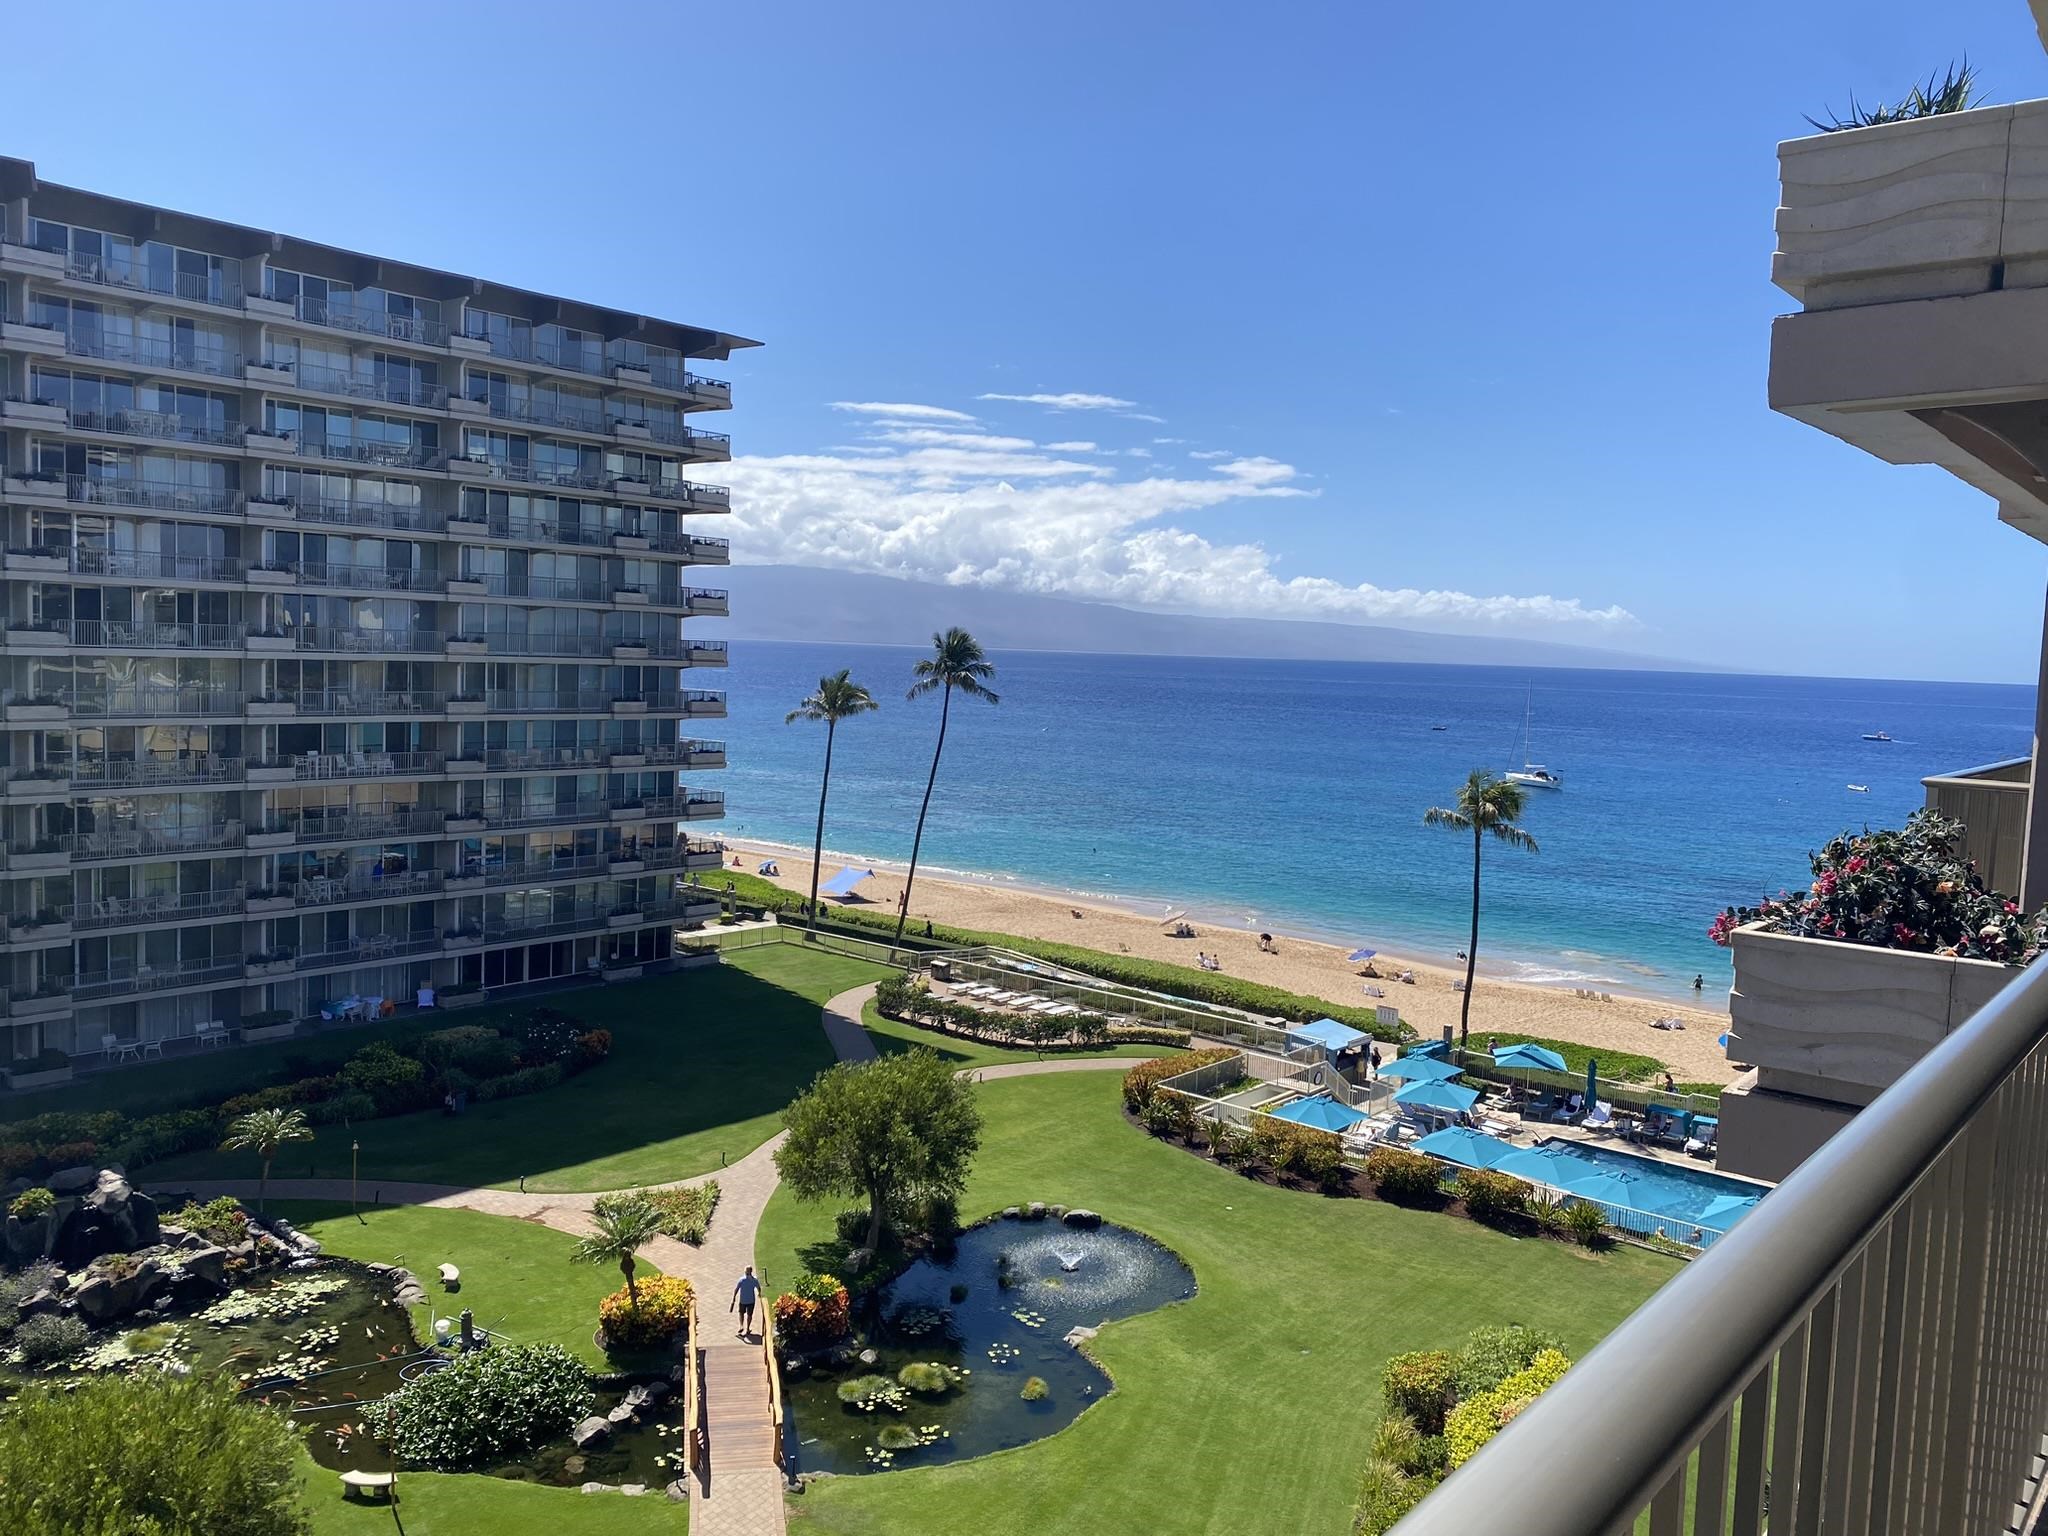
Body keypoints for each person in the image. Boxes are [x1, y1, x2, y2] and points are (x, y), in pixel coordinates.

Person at [731, 1265, 762, 1338]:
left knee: (741, 1313)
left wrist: (734, 1298)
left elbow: (736, 1289)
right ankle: (748, 1328)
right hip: (751, 1300)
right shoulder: (754, 1280)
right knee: (749, 1315)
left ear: (745, 1272)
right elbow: (759, 1288)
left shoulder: (741, 1280)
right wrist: (759, 1294)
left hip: (743, 1300)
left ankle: (741, 1325)